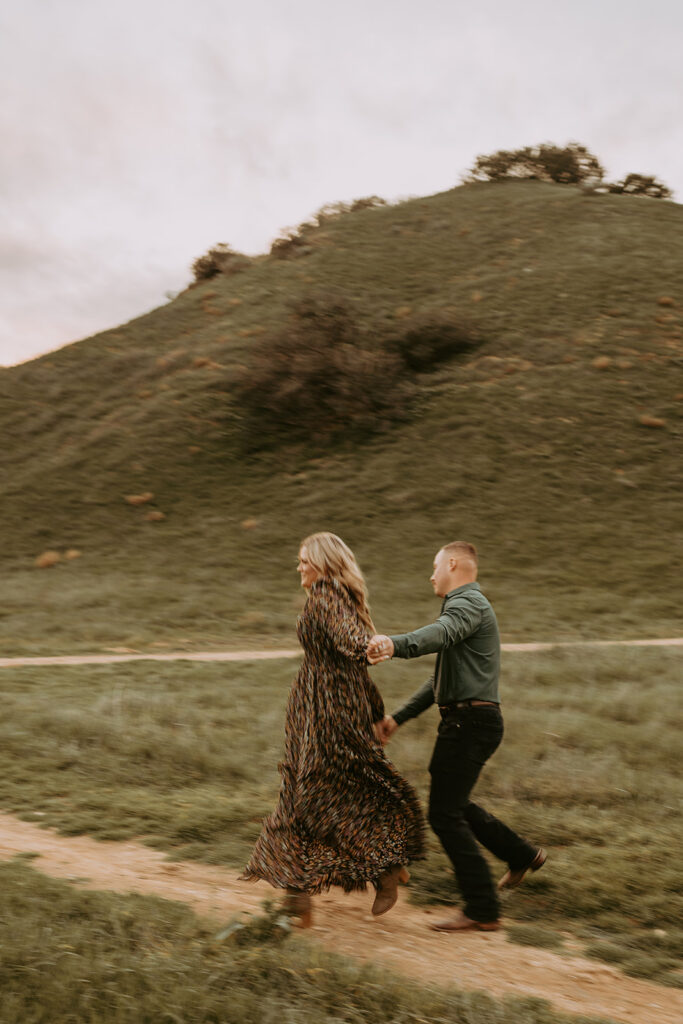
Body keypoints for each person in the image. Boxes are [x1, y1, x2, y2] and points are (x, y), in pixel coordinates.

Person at [241, 531, 425, 927]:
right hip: (319, 710)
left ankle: (302, 902)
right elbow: (354, 657)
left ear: (324, 563)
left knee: (307, 799)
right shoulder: (333, 597)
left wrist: (367, 647)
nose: (299, 566)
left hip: (328, 715)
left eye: (304, 559)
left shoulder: (326, 597)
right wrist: (375, 707)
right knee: (330, 794)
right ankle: (374, 873)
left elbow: (352, 643)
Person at [368, 541, 546, 932]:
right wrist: (398, 718)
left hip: (469, 724)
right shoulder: (466, 607)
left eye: (434, 566)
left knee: (444, 814)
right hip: (469, 722)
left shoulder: (467, 606)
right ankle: (522, 854)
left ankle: (483, 909)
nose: (431, 575)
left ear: (452, 564)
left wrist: (392, 644)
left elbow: (439, 633)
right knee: (455, 804)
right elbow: (441, 681)